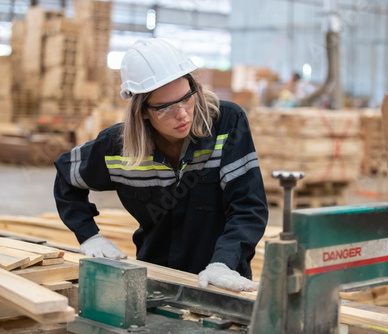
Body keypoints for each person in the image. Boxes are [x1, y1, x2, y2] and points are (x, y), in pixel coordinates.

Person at [53, 38, 268, 292]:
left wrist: (224, 262)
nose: (183, 114)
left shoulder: (226, 124)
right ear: (142, 111)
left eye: (187, 98)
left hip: (221, 281)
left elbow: (248, 206)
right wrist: (88, 234)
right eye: (166, 108)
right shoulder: (118, 146)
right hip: (155, 280)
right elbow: (67, 175)